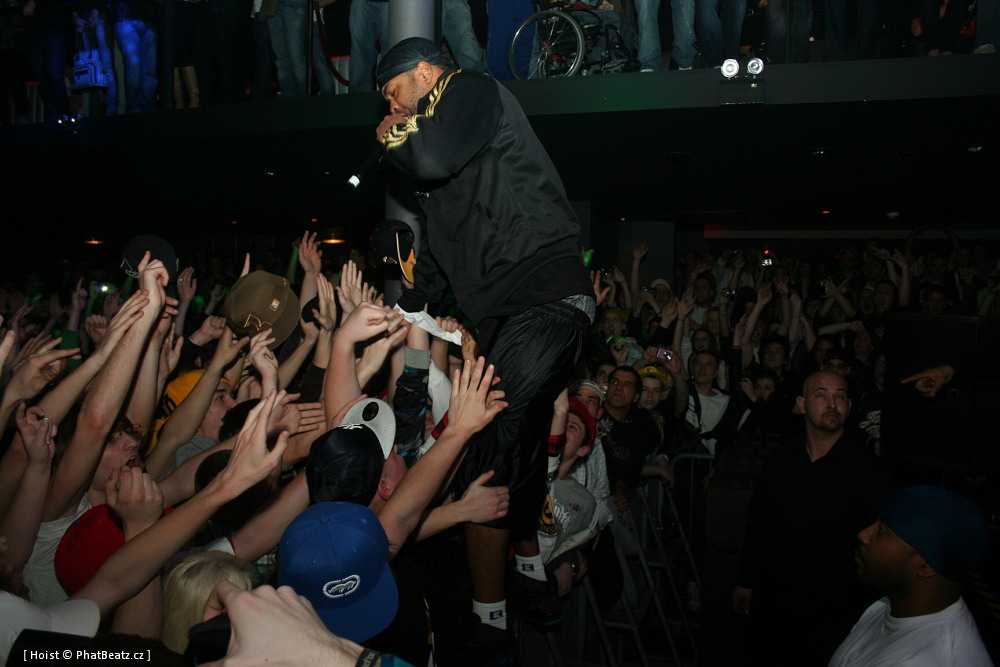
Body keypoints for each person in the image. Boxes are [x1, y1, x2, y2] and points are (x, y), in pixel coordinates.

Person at [375, 37, 593, 640]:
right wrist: (408, 303)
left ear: (424, 74)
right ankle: (526, 568)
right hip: (510, 315)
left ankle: (489, 622)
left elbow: (427, 157)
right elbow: (442, 246)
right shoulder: (449, 153)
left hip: (545, 297)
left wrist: (391, 134)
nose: (391, 108)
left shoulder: (467, 89)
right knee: (515, 441)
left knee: (487, 444)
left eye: (394, 93)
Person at [733, 370, 896, 666]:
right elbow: (759, 524)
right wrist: (746, 580)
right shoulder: (782, 459)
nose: (832, 404)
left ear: (849, 406)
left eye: (840, 397)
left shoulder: (867, 470)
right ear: (802, 404)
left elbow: (878, 543)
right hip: (776, 604)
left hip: (834, 612)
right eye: (821, 395)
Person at [830, 485, 991, 666]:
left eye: (882, 530)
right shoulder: (891, 605)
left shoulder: (929, 660)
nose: (863, 535)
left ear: (927, 564)